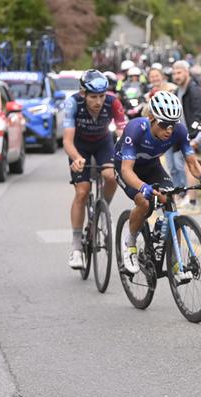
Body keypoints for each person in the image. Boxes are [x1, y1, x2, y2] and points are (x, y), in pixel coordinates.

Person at [114, 91, 201, 274]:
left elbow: (191, 162)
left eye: (173, 124)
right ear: (151, 117)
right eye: (164, 124)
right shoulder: (136, 129)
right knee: (144, 203)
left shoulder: (179, 131)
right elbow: (127, 170)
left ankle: (173, 257)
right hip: (126, 167)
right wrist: (143, 187)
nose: (169, 130)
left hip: (151, 166)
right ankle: (130, 243)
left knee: (170, 202)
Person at [64, 69, 126, 269]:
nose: (98, 101)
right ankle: (76, 249)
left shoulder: (113, 102)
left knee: (111, 175)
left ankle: (102, 209)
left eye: (101, 96)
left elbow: (122, 132)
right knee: (82, 192)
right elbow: (67, 140)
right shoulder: (73, 103)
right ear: (84, 94)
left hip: (103, 143)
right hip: (79, 145)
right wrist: (76, 158)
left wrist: (124, 154)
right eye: (93, 97)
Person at [172, 60, 201, 211]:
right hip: (186, 134)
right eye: (174, 73)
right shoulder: (178, 91)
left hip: (195, 135)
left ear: (187, 72)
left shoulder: (193, 90)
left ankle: (192, 200)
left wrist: (195, 135)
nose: (176, 76)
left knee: (190, 165)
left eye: (179, 72)